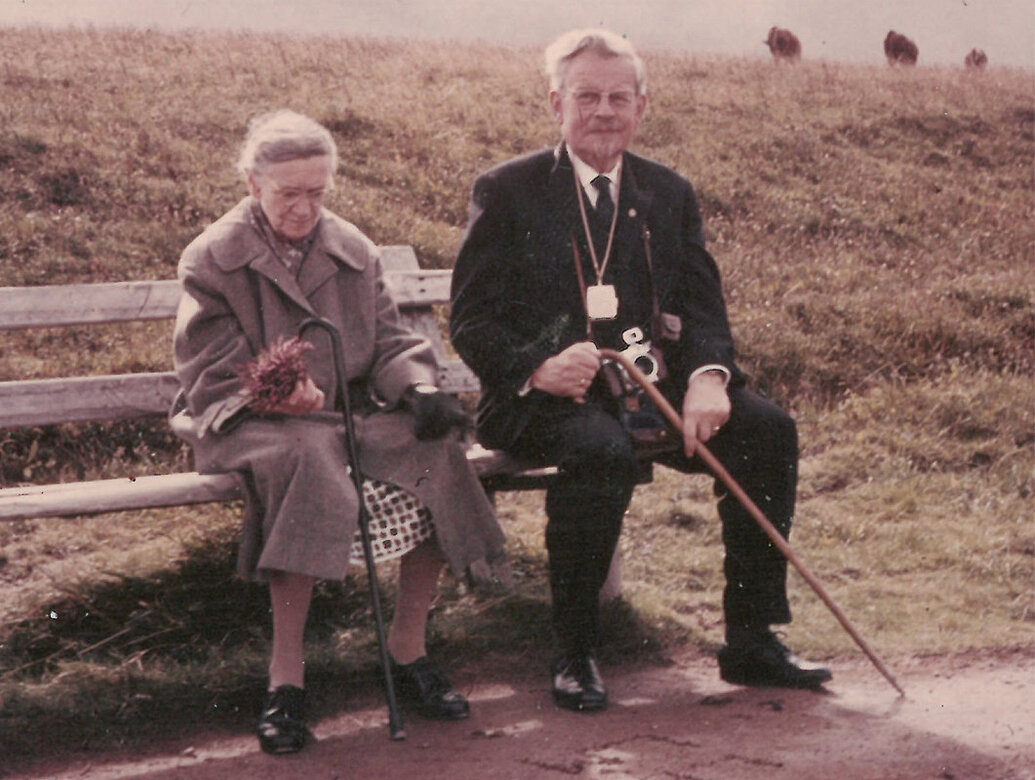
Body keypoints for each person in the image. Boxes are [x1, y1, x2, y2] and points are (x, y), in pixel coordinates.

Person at [450, 29, 831, 713]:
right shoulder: (507, 190)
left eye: (617, 98)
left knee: (766, 431)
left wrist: (709, 376)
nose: (603, 111)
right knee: (599, 449)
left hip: (651, 389)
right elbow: (472, 320)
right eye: (586, 97)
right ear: (554, 105)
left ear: (640, 106)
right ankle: (575, 650)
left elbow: (701, 304)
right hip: (540, 399)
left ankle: (751, 639)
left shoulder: (668, 191)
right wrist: (537, 365)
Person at [171, 109, 506, 753]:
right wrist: (274, 393)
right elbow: (207, 365)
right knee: (309, 467)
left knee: (439, 453)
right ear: (252, 184)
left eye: (317, 193)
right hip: (252, 420)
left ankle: (408, 650)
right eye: (288, 194)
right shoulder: (213, 257)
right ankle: (286, 681)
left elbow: (388, 341)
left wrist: (417, 386)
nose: (304, 209)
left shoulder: (352, 248)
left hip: (347, 413)